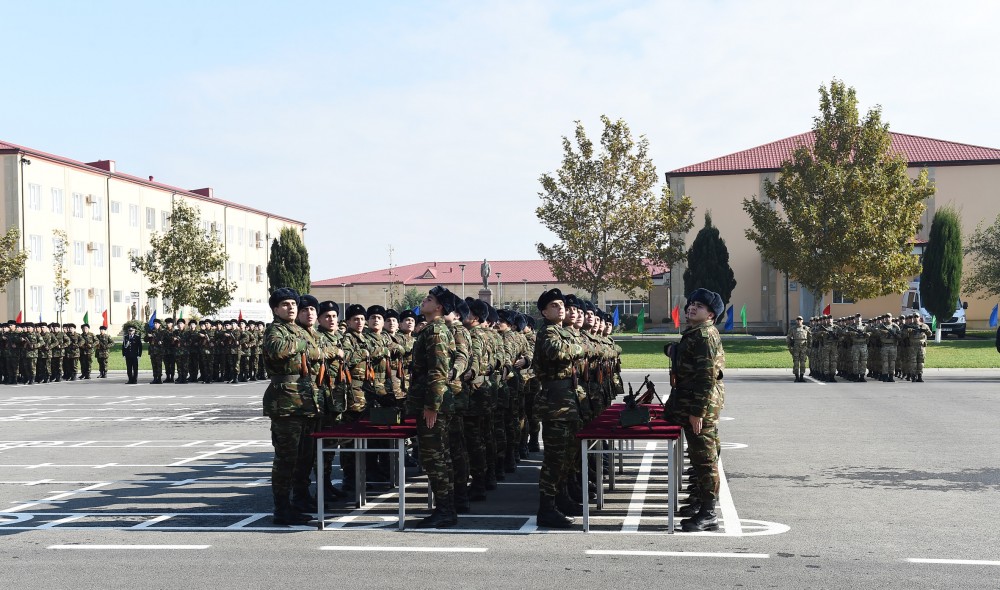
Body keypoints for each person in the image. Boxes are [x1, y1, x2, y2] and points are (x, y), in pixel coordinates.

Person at [663, 288, 726, 532]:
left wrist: (697, 411)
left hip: (701, 405)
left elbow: (706, 376)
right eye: (691, 304)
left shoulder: (704, 336)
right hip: (695, 401)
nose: (691, 308)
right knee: (701, 456)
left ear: (711, 314)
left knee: (705, 458)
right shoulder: (696, 333)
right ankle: (702, 502)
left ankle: (709, 513)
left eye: (698, 306)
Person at [261, 287, 322, 526]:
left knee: (305, 456)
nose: (291, 307)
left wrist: (304, 343)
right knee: (286, 458)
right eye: (285, 304)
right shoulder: (274, 330)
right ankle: (282, 507)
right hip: (285, 401)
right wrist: (302, 344)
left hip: (306, 400)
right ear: (275, 309)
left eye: (293, 304)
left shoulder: (297, 330)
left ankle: (300, 498)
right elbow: (278, 350)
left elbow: (319, 352)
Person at [533, 288, 585, 529]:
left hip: (568, 398)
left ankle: (561, 498)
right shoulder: (547, 333)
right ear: (544, 312)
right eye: (554, 305)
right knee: (554, 457)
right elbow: (558, 353)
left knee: (567, 455)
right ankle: (546, 508)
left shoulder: (562, 332)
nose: (560, 307)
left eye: (561, 304)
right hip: (555, 401)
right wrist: (579, 348)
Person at [406, 285, 458, 528]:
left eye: (428, 299)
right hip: (432, 401)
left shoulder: (436, 331)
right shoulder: (432, 330)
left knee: (435, 457)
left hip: (433, 404)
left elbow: (438, 372)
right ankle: (446, 507)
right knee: (440, 456)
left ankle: (445, 509)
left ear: (438, 307)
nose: (423, 302)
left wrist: (431, 406)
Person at [786, 316, 810, 382]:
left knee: (803, 362)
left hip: (804, 347)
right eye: (798, 320)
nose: (799, 321)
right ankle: (797, 376)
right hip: (796, 347)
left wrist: (809, 346)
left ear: (802, 321)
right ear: (796, 321)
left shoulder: (806, 328)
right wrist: (790, 346)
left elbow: (810, 337)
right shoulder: (793, 328)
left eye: (800, 320)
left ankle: (802, 376)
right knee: (796, 362)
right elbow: (788, 338)